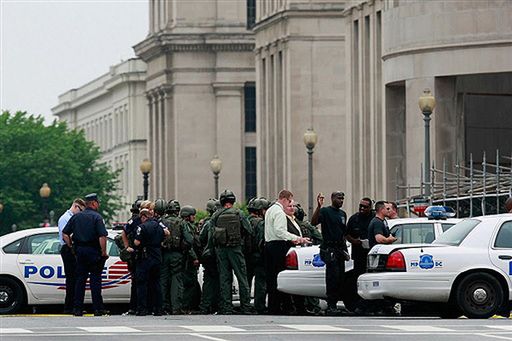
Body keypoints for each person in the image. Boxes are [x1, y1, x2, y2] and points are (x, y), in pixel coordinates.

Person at [62, 193, 109, 316]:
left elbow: (65, 234)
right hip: (93, 251)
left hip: (80, 252)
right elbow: (102, 236)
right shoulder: (97, 217)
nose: (98, 205)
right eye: (98, 202)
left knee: (80, 281)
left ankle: (77, 309)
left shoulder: (76, 217)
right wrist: (104, 252)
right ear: (93, 203)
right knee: (95, 281)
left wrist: (71, 246)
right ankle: (98, 309)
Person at [265, 189, 310, 315]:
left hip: (269, 245)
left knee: (272, 279)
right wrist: (297, 238)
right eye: (289, 202)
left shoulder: (270, 210)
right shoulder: (279, 212)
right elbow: (280, 232)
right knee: (280, 277)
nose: (290, 205)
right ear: (284, 199)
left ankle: (273, 307)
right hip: (278, 246)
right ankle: (281, 307)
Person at [211, 189, 254, 315]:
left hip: (221, 250)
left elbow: (211, 232)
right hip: (235, 249)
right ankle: (245, 306)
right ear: (233, 201)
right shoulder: (239, 213)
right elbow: (249, 230)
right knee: (242, 277)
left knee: (224, 278)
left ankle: (226, 307)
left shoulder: (216, 215)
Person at [311, 191, 349, 316]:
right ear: (332, 198)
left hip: (339, 249)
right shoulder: (326, 211)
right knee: (332, 276)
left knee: (340, 278)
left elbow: (343, 234)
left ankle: (336, 303)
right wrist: (318, 206)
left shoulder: (343, 214)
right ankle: (331, 305)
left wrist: (345, 251)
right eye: (339, 198)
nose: (341, 201)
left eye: (342, 199)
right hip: (329, 248)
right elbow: (314, 222)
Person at [134, 208, 169, 316]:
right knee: (156, 283)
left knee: (142, 283)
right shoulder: (159, 225)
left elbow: (137, 242)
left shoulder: (142, 227)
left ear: (144, 216)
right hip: (157, 256)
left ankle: (142, 309)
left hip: (145, 257)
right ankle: (158, 309)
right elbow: (167, 234)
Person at [160, 200, 193, 315]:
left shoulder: (161, 221)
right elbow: (189, 240)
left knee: (163, 280)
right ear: (178, 211)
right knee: (176, 280)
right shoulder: (181, 222)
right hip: (177, 254)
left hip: (163, 254)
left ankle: (163, 307)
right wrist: (183, 248)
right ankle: (176, 307)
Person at [57, 198, 85, 314]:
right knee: (72, 278)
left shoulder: (70, 217)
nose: (81, 213)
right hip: (68, 249)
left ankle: (72, 305)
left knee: (74, 278)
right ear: (75, 206)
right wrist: (71, 247)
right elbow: (65, 235)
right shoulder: (65, 218)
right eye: (81, 210)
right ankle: (69, 306)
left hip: (69, 248)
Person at [198, 199, 221, 314]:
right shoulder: (220, 221)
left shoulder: (207, 223)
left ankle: (205, 306)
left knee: (208, 281)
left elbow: (201, 239)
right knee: (219, 280)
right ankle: (217, 305)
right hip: (219, 255)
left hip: (208, 255)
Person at [121, 198, 143, 315]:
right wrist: (127, 247)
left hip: (140, 254)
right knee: (136, 282)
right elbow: (123, 233)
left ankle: (137, 306)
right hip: (135, 254)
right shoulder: (134, 220)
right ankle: (134, 306)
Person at [246, 198, 267, 314]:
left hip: (245, 256)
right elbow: (262, 240)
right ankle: (259, 306)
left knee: (246, 282)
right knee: (260, 283)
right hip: (258, 256)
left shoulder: (244, 220)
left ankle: (246, 305)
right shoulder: (261, 223)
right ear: (260, 211)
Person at [180, 205, 201, 313]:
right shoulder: (186, 226)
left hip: (188, 258)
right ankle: (185, 306)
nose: (194, 217)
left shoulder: (189, 225)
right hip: (188, 259)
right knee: (190, 283)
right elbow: (189, 244)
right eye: (192, 215)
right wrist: (195, 257)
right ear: (187, 216)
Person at [346, 198, 374, 275]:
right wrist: (354, 241)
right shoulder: (354, 219)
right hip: (358, 253)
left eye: (365, 207)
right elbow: (346, 234)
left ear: (370, 208)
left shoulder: (375, 218)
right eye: (361, 206)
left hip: (372, 253)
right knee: (358, 274)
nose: (362, 208)